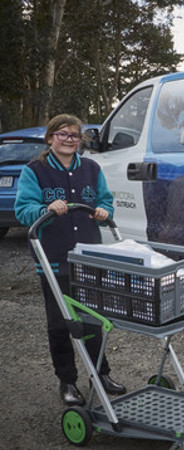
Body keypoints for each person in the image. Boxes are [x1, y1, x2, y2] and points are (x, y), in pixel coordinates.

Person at [14, 114, 126, 406]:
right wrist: (45, 207)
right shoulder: (34, 171)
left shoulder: (90, 168)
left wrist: (103, 210)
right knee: (60, 323)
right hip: (53, 260)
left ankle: (100, 374)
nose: (69, 140)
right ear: (50, 138)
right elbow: (24, 210)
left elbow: (105, 200)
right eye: (63, 134)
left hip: (87, 259)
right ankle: (67, 381)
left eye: (74, 135)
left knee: (92, 321)